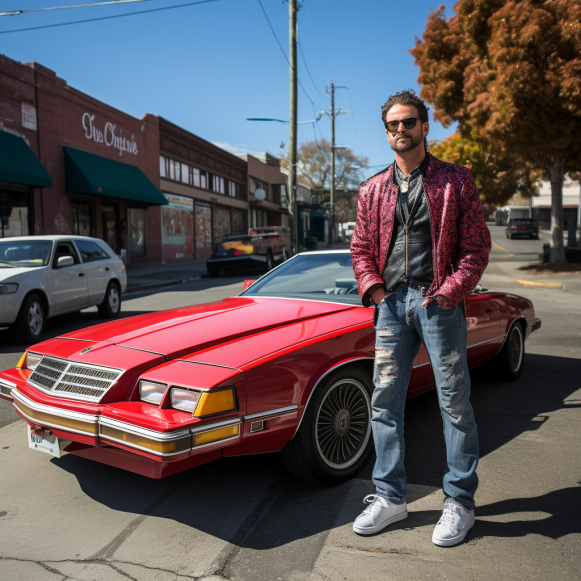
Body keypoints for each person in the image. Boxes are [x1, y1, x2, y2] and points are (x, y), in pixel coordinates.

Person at [350, 89, 491, 547]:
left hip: (437, 302)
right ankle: (390, 497)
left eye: (408, 122)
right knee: (384, 401)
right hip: (390, 304)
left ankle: (460, 503)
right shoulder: (372, 189)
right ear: (386, 132)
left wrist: (450, 293)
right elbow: (360, 249)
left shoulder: (456, 181)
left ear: (425, 127)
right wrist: (373, 289)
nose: (400, 131)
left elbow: (475, 247)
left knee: (454, 401)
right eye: (392, 125)